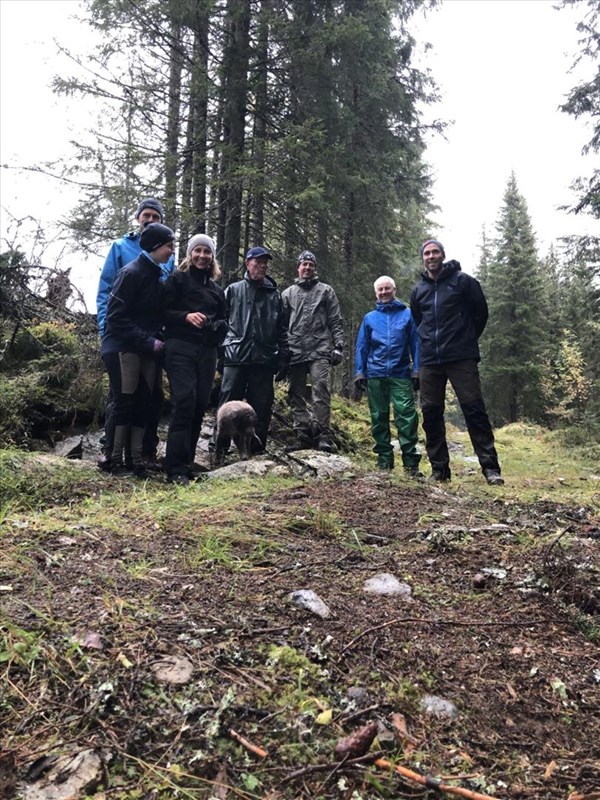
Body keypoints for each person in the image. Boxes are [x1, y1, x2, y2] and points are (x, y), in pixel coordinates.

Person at [409, 239, 504, 486]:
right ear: (423, 258)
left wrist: (466, 337)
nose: (431, 256)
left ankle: (491, 468)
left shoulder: (463, 281)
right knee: (430, 413)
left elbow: (480, 313)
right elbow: (418, 319)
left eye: (435, 252)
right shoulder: (419, 290)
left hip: (461, 357)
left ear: (443, 255)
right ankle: (439, 470)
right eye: (427, 253)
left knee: (474, 410)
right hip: (430, 359)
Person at [97, 198, 175, 468]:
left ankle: (135, 459)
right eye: (169, 247)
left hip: (144, 347)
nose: (171, 252)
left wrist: (159, 339)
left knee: (145, 401)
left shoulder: (157, 275)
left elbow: (158, 312)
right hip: (121, 345)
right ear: (156, 247)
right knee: (124, 400)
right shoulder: (130, 272)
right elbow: (115, 317)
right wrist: (148, 341)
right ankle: (113, 458)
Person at [162, 234, 227, 486]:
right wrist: (185, 317)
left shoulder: (216, 290)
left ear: (212, 257)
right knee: (184, 402)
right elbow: (163, 312)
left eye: (207, 252)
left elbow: (224, 322)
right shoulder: (177, 280)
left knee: (200, 405)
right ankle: (174, 468)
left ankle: (187, 465)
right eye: (197, 251)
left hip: (207, 352)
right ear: (190, 254)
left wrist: (213, 326)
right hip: (179, 347)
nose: (202, 256)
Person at [212, 246, 289, 453]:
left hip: (264, 358)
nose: (262, 266)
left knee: (262, 407)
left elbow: (282, 329)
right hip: (235, 356)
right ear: (247, 263)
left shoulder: (275, 296)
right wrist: (220, 354)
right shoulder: (233, 291)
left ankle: (256, 448)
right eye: (257, 262)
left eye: (265, 263)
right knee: (227, 404)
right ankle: (218, 447)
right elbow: (221, 323)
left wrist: (283, 355)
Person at [354, 276, 422, 475]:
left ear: (394, 290)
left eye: (387, 289)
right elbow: (362, 347)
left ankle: (411, 464)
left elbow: (416, 345)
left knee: (407, 416)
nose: (383, 292)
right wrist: (360, 372)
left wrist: (417, 370)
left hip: (401, 373)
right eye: (380, 290)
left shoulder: (408, 315)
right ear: (376, 293)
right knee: (378, 416)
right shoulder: (369, 318)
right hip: (375, 373)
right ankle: (384, 461)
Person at [281, 250, 344, 452]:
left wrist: (339, 345)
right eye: (304, 264)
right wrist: (280, 350)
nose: (307, 267)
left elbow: (335, 320)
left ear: (314, 268)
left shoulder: (326, 291)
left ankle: (322, 434)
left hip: (320, 347)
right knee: (295, 392)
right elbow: (281, 324)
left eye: (310, 264)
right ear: (298, 267)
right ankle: (302, 434)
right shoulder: (288, 294)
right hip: (295, 348)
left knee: (321, 388)